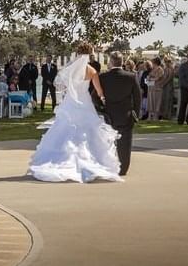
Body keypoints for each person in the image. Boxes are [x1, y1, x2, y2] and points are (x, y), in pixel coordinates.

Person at [27, 42, 121, 183]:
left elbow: (61, 84)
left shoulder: (70, 68)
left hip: (70, 102)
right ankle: (92, 162)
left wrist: (69, 92)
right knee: (88, 132)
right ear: (90, 54)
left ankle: (59, 160)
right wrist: (103, 98)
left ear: (77, 53)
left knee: (65, 129)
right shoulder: (91, 71)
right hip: (85, 102)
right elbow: (99, 90)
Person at [99, 51, 141, 176]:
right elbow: (137, 97)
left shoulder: (103, 77)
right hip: (125, 115)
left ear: (111, 62)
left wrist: (101, 109)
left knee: (107, 143)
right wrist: (135, 114)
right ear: (122, 62)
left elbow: (94, 96)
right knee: (125, 144)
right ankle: (123, 169)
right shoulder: (131, 77)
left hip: (108, 115)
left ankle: (107, 166)